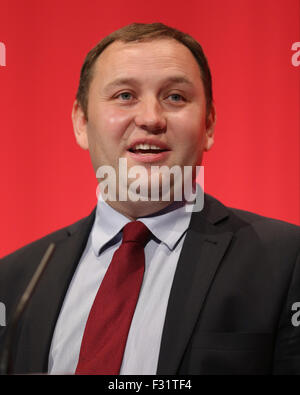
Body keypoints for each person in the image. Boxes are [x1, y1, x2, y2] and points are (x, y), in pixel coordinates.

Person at [0, 22, 300, 375]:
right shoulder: (15, 279)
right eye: (124, 95)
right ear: (82, 122)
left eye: (175, 97)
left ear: (209, 125)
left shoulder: (286, 259)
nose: (150, 119)